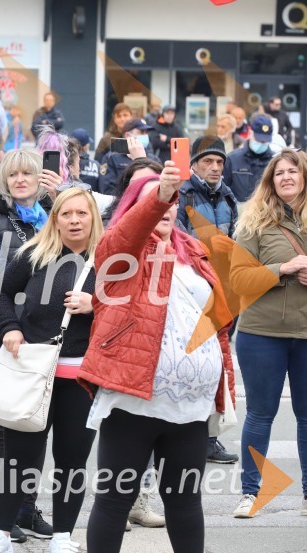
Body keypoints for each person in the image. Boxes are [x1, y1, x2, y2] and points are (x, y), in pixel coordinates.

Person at [80, 162, 235, 553]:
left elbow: (217, 323)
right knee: (115, 499)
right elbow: (121, 240)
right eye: (155, 201)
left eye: (171, 202)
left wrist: (222, 382)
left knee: (185, 501)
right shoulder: (121, 251)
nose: (166, 209)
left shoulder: (195, 251)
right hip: (135, 400)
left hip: (191, 407)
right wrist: (160, 193)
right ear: (137, 206)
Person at [0, 187, 103, 553]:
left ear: (93, 217)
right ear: (55, 218)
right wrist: (10, 328)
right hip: (33, 372)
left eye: (82, 213)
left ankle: (62, 536)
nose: (74, 220)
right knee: (19, 458)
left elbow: (130, 312)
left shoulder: (109, 259)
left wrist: (97, 303)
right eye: (66, 214)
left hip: (82, 377)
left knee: (72, 459)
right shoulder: (35, 253)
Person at [0, 149, 58, 545]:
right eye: (15, 175)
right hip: (9, 330)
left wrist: (60, 200)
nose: (22, 180)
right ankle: (0, 511)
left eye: (29, 173)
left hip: (50, 333)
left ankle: (26, 507)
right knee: (5, 424)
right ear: (5, 180)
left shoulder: (56, 213)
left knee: (37, 421)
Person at [230, 149, 307, 518]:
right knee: (260, 415)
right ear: (270, 181)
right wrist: (283, 267)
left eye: (293, 171)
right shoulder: (253, 223)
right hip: (261, 332)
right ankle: (250, 493)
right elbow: (239, 279)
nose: (287, 177)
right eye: (280, 173)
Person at [175, 136, 240, 464]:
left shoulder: (227, 196)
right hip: (190, 293)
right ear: (195, 164)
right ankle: (186, 437)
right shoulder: (183, 194)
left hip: (222, 291)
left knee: (216, 368)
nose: (215, 168)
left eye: (219, 163)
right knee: (189, 368)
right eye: (208, 162)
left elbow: (234, 240)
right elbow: (177, 243)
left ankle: (209, 439)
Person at [97, 119, 160, 195]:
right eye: (141, 132)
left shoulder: (153, 159)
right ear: (127, 135)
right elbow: (107, 190)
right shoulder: (111, 158)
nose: (145, 135)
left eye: (146, 132)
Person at [223, 115, 275, 204]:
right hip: (238, 215)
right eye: (258, 139)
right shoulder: (232, 159)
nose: (261, 143)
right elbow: (223, 191)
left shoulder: (275, 161)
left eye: (264, 141)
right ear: (250, 133)